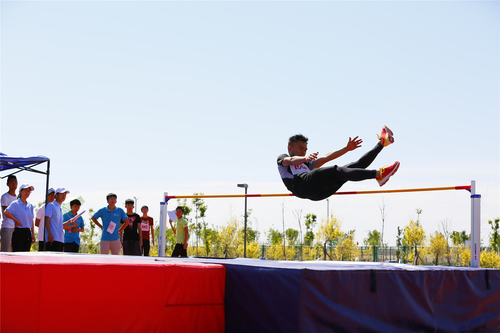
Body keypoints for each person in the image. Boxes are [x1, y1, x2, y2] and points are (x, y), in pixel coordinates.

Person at [277, 126, 400, 201]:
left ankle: (382, 143)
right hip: (302, 186)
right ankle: (378, 174)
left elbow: (326, 157)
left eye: (305, 150)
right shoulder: (283, 158)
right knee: (336, 171)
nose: (303, 152)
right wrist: (306, 158)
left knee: (349, 169)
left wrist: (346, 148)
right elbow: (291, 161)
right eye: (300, 148)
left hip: (317, 193)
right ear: (290, 147)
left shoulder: (306, 165)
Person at [3, 184, 35, 252]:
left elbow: (31, 220)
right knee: (17, 254)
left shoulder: (30, 205)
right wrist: (16, 220)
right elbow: (6, 212)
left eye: (29, 191)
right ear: (20, 191)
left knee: (26, 255)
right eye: (25, 190)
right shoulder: (15, 203)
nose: (27, 193)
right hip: (19, 232)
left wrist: (33, 234)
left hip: (28, 232)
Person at [1, 175, 18, 252]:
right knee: (6, 252)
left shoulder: (18, 198)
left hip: (17, 228)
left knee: (15, 253)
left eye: (15, 182)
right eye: (11, 182)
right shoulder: (5, 197)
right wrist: (17, 219)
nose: (13, 185)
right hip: (7, 227)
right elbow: (6, 212)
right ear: (7, 184)